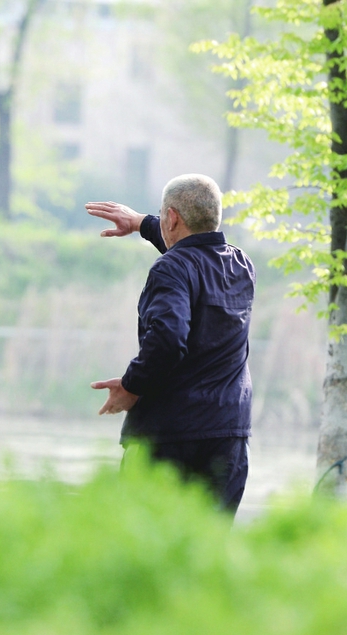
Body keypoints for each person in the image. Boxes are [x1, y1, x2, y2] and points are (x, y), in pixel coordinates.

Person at [86, 174, 255, 516]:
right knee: (209, 542)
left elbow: (168, 338)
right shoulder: (241, 266)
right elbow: (194, 254)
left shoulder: (171, 269)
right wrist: (142, 223)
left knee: (145, 540)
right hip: (228, 438)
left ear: (172, 218)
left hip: (169, 438)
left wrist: (132, 386)